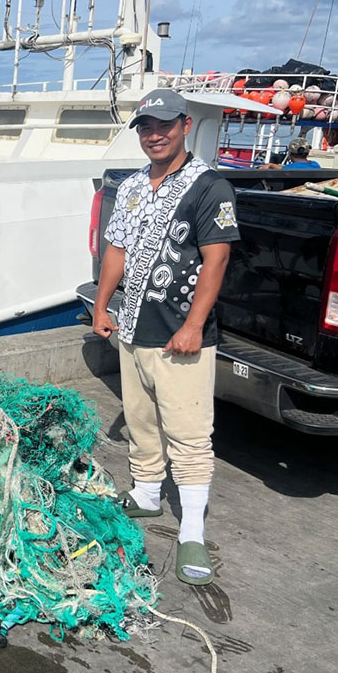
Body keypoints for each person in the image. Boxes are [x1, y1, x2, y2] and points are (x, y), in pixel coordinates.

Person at [92, 89, 240, 587]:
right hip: (133, 326)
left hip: (182, 333)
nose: (154, 136)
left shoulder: (209, 186)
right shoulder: (132, 185)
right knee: (141, 419)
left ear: (184, 126)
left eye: (163, 126)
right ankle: (147, 493)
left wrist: (194, 324)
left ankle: (192, 529)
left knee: (189, 432)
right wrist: (101, 304)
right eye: (145, 128)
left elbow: (216, 258)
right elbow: (116, 249)